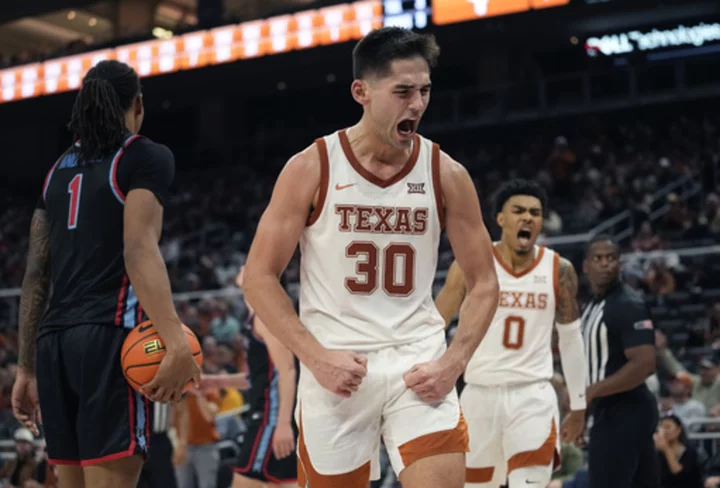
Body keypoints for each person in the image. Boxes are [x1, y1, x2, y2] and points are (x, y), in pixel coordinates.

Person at [242, 26, 499, 488]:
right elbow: (259, 278)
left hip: (418, 367)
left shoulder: (446, 173)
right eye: (402, 92)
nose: (417, 105)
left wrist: (454, 362)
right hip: (336, 367)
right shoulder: (312, 166)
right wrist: (315, 358)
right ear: (361, 91)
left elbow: (483, 282)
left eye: (424, 91)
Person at [11, 60, 201, 488]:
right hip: (108, 338)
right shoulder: (144, 156)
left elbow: (35, 274)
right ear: (137, 104)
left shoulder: (56, 171)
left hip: (53, 345)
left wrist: (26, 368)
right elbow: (138, 249)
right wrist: (174, 342)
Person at [434, 179, 588, 487]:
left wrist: (580, 405)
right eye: (518, 210)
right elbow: (435, 323)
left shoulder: (560, 270)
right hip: (478, 395)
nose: (528, 217)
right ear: (500, 219)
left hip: (533, 395)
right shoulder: (471, 263)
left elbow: (571, 340)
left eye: (535, 212)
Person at [581, 235, 659, 488]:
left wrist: (591, 392)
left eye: (611, 258)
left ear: (620, 264)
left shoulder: (627, 303)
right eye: (598, 259)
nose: (605, 264)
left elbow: (644, 364)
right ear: (586, 266)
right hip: (613, 412)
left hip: (624, 411)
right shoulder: (594, 304)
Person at [233, 266, 297, 488]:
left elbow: (288, 371)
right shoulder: (257, 316)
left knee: (244, 482)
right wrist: (216, 382)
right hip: (267, 414)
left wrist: (283, 424)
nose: (243, 267)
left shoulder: (267, 317)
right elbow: (262, 377)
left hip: (269, 418)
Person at [654, 414, 702, 488]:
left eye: (667, 427)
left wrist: (666, 450)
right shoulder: (658, 452)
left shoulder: (689, 451)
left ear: (678, 430)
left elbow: (679, 475)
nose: (663, 431)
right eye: (661, 427)